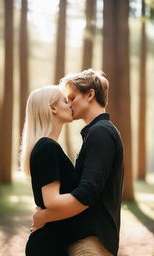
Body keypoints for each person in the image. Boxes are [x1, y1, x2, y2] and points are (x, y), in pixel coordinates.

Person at [32, 69, 124, 256]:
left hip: (91, 242)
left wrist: (44, 216)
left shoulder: (101, 132)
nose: (70, 103)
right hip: (87, 239)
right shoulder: (96, 133)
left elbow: (88, 192)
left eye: (72, 98)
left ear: (90, 94)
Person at [20, 86, 88, 256]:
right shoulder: (47, 148)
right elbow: (52, 201)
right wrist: (89, 196)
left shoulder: (47, 146)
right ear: (53, 108)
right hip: (48, 247)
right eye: (66, 101)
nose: (70, 105)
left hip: (52, 243)